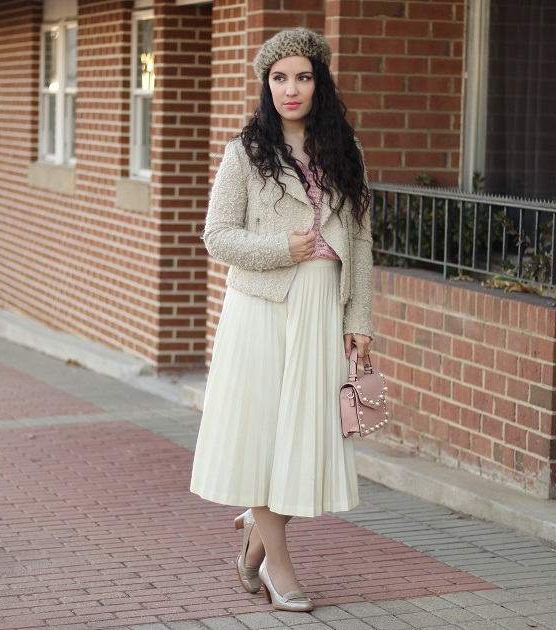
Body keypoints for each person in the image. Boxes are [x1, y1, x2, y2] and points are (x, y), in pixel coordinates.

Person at [190, 27, 374, 613]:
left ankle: (253, 542)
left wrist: (361, 318)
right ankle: (279, 567)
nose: (290, 89)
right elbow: (216, 236)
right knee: (268, 438)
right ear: (265, 85)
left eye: (302, 76)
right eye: (278, 78)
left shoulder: (345, 152)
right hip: (262, 309)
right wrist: (281, 248)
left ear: (320, 83)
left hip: (323, 308)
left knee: (311, 437)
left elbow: (362, 243)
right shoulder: (244, 151)